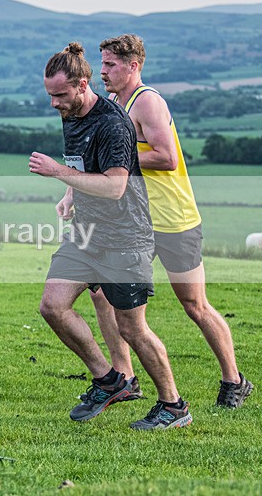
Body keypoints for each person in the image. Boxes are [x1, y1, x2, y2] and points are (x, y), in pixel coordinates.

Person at [29, 43, 191, 430]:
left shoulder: (112, 124)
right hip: (86, 234)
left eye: (60, 95)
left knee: (132, 328)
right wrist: (70, 194)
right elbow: (86, 166)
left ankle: (173, 406)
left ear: (82, 85)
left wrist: (57, 173)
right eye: (50, 95)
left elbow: (116, 186)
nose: (54, 103)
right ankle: (110, 379)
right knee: (52, 306)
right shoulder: (72, 113)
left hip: (124, 239)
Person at [91, 33, 253, 408]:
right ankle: (124, 378)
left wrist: (116, 157)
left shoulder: (147, 102)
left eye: (110, 65)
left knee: (194, 305)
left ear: (133, 66)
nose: (103, 72)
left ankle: (234, 380)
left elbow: (167, 157)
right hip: (135, 224)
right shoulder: (113, 104)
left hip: (174, 221)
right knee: (103, 294)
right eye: (102, 64)